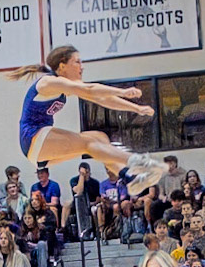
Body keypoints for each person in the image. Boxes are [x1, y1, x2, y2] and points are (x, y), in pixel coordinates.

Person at [10, 45, 165, 194]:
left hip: (41, 150)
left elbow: (100, 98)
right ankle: (139, 162)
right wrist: (123, 91)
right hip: (33, 138)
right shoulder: (48, 82)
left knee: (99, 138)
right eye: (77, 62)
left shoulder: (65, 87)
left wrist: (136, 108)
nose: (81, 67)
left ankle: (129, 178)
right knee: (88, 143)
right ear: (62, 66)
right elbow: (90, 90)